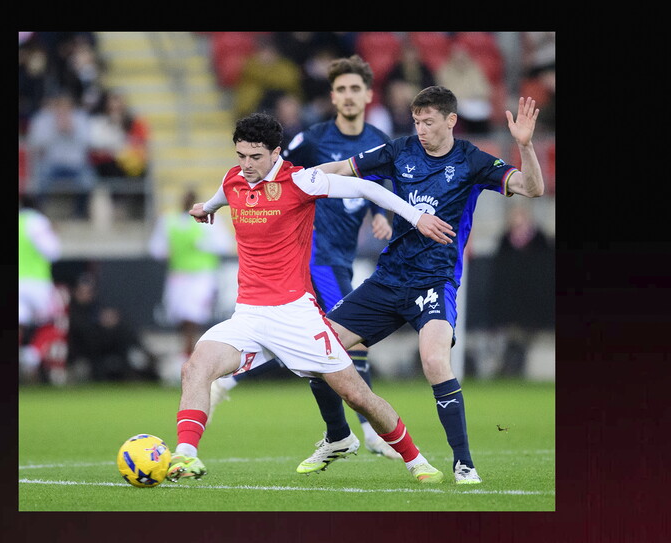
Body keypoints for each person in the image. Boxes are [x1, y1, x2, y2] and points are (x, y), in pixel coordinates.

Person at [167, 112, 457, 484]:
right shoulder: (234, 179)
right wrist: (205, 209)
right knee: (196, 368)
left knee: (358, 396)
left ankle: (416, 460)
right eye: (241, 155)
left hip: (295, 315)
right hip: (248, 317)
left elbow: (368, 188)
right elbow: (224, 194)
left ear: (276, 153)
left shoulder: (302, 180)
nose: (247, 165)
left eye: (255, 157)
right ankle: (185, 456)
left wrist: (415, 217)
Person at [312, 86, 546, 484]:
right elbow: (343, 169)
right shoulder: (400, 150)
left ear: (451, 120)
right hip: (388, 280)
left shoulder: (471, 159)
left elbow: (532, 188)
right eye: (416, 120)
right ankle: (338, 436)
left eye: (428, 121)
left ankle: (464, 463)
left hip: (435, 282)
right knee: (314, 349)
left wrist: (524, 146)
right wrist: (294, 178)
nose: (420, 129)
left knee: (435, 362)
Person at [208, 55, 402, 463]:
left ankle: (233, 379)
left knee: (319, 338)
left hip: (343, 253)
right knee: (346, 334)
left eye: (355, 89)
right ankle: (369, 432)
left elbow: (377, 185)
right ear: (332, 97)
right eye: (341, 89)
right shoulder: (313, 138)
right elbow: (273, 174)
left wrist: (380, 215)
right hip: (314, 253)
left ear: (368, 95)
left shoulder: (380, 140)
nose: (348, 97)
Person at [148, 188, 234, 360]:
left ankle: (189, 354)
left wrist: (205, 244)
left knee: (193, 315)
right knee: (179, 315)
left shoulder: (210, 221)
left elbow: (225, 244)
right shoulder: (169, 221)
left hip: (202, 276)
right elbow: (156, 248)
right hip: (178, 276)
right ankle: (186, 353)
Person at [488, 203, 553, 376]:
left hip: (533, 298)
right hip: (511, 299)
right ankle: (511, 364)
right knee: (512, 332)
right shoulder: (505, 240)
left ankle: (518, 361)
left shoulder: (539, 239)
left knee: (528, 328)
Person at [27, 92, 95, 219]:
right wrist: (55, 130)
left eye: (67, 105)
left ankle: (79, 214)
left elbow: (88, 142)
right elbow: (35, 142)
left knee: (88, 180)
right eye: (60, 105)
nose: (63, 109)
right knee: (38, 178)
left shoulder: (81, 118)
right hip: (51, 163)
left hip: (76, 164)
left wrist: (72, 130)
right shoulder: (43, 119)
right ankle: (39, 214)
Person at [18, 194, 64, 382]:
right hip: (36, 283)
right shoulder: (37, 222)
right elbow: (53, 251)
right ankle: (31, 356)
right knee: (54, 322)